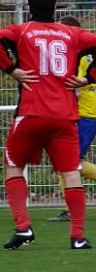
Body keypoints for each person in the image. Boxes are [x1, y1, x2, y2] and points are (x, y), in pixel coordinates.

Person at [0, 0, 96, 250]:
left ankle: (23, 227)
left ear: (28, 8)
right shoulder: (72, 34)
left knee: (14, 166)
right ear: (56, 9)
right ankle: (78, 236)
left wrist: (12, 69)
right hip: (65, 116)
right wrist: (87, 78)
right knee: (71, 173)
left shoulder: (21, 31)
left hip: (32, 113)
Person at [47, 16, 96, 222]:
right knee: (67, 162)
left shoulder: (74, 54)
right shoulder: (88, 53)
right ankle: (70, 208)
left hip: (84, 114)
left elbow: (72, 88)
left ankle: (70, 210)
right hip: (88, 113)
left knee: (67, 162)